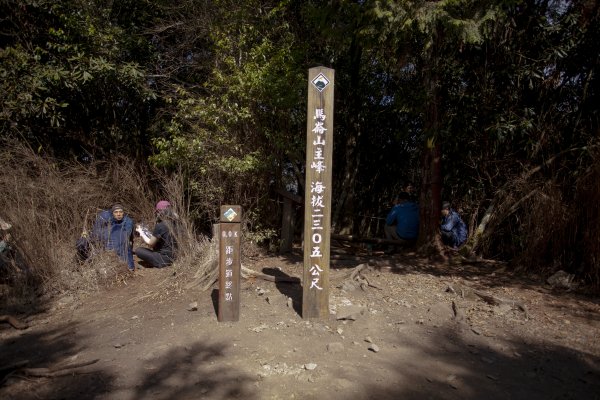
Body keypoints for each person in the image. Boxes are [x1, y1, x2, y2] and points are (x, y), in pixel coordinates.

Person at [134, 200, 177, 268]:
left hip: (164, 259)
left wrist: (141, 232)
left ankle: (156, 262)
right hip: (176, 256)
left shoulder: (160, 226)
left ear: (160, 213)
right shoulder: (178, 223)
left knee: (139, 250)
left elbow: (150, 244)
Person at [107, 204, 135, 271]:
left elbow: (126, 235)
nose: (118, 214)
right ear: (112, 214)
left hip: (125, 242)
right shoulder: (109, 221)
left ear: (123, 213)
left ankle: (130, 266)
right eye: (116, 212)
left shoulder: (128, 221)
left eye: (120, 212)